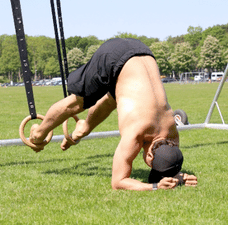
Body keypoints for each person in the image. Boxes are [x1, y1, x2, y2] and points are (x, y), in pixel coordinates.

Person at [29, 38, 197, 191]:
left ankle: (84, 127)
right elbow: (118, 182)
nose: (149, 165)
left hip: (142, 51)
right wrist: (154, 187)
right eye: (151, 164)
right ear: (151, 154)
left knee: (113, 98)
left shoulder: (172, 134)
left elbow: (112, 101)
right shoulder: (136, 133)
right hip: (114, 56)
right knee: (77, 103)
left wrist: (177, 176)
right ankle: (38, 133)